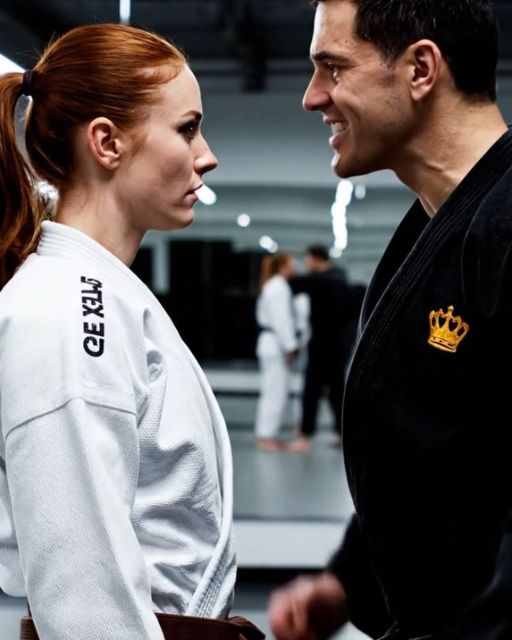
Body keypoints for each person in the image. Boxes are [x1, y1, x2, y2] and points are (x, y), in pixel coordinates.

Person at [0, 24, 262, 640]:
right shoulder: (62, 312)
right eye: (187, 129)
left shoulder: (101, 295)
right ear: (107, 142)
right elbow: (84, 598)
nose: (207, 155)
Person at [269, 0, 512, 639]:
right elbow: (441, 451)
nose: (311, 97)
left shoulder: (505, 226)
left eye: (332, 68)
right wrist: (349, 582)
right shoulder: (432, 229)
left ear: (421, 69)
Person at [286, 245, 355, 453]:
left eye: (308, 260)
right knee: (336, 391)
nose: (307, 265)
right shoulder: (339, 277)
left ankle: (305, 437)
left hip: (326, 344)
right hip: (338, 344)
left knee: (313, 389)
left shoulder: (326, 280)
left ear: (316, 259)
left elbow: (296, 283)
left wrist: (287, 274)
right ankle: (343, 435)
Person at [254, 252, 298, 451]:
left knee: (273, 390)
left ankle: (268, 434)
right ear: (283, 266)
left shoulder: (273, 285)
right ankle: (266, 436)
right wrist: (289, 346)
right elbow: (281, 320)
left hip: (271, 342)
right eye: (291, 263)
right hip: (275, 343)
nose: (294, 267)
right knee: (275, 392)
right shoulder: (278, 287)